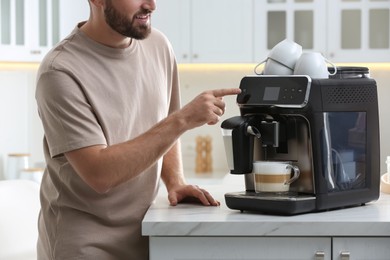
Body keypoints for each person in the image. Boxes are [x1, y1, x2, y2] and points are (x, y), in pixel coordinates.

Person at [35, 0, 240, 259]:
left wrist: (175, 181)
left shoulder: (158, 45)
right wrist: (183, 119)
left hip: (143, 236)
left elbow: (163, 125)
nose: (151, 5)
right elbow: (99, 173)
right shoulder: (60, 71)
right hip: (84, 246)